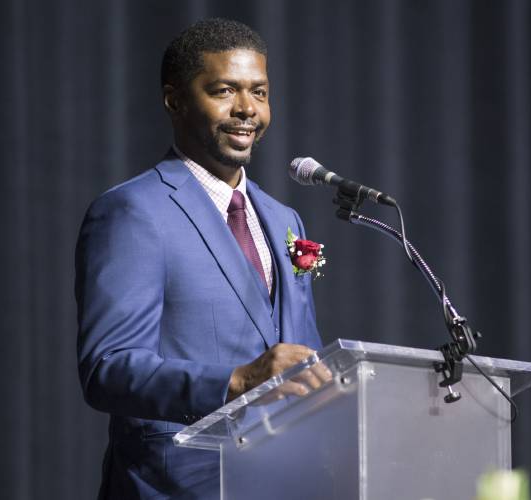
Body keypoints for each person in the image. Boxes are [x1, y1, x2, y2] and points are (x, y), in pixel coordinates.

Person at [75, 18, 323, 499]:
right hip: (177, 485)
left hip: (287, 482)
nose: (247, 109)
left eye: (260, 91)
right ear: (175, 100)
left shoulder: (284, 218)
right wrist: (237, 380)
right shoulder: (133, 211)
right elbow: (108, 367)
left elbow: (299, 355)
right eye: (224, 90)